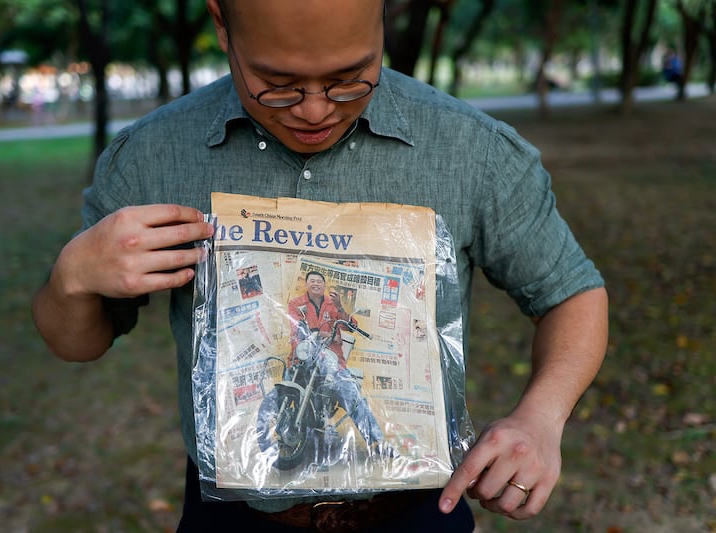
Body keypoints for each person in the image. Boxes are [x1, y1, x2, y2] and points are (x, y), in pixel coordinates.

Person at [31, 0, 608, 531]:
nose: (314, 110)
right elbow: (78, 342)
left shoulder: (469, 150)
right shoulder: (152, 158)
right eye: (276, 85)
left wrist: (541, 417)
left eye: (349, 77)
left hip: (420, 513)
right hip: (237, 518)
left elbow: (571, 293)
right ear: (221, 23)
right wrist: (73, 278)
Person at [286, 270, 385, 452]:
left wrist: (340, 307)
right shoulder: (296, 304)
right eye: (312, 281)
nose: (316, 283)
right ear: (306, 284)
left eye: (319, 281)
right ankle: (283, 424)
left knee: (352, 394)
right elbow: (296, 328)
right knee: (285, 387)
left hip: (332, 363)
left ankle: (377, 442)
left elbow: (352, 326)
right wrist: (320, 334)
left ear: (324, 286)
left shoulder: (333, 305)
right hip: (303, 359)